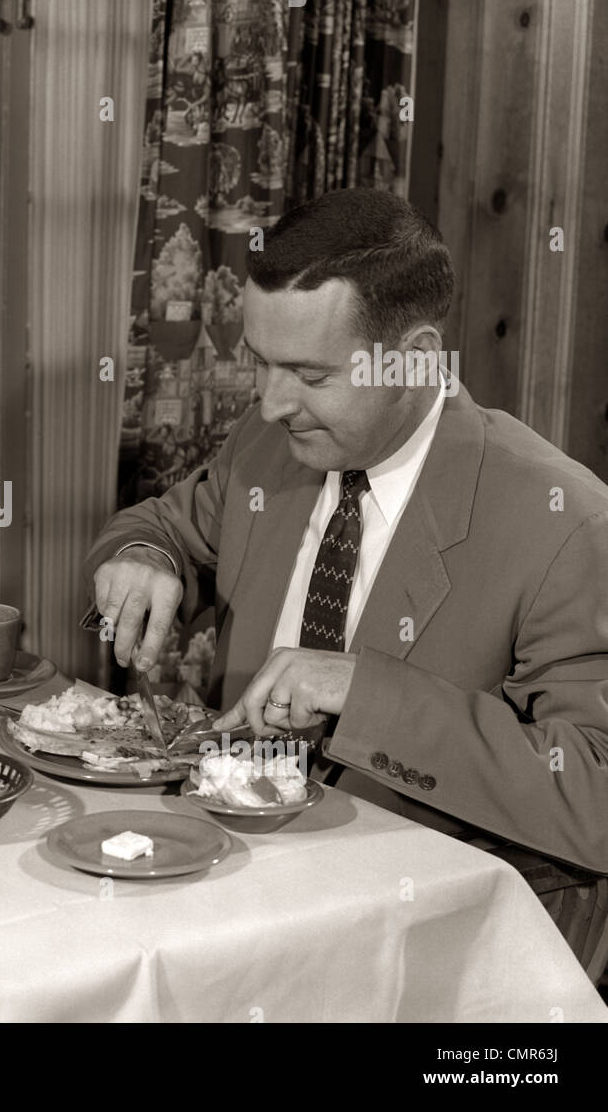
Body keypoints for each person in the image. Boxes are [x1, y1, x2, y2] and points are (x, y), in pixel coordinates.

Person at [86, 188, 608, 878]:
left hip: (419, 919)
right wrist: (145, 556)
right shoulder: (266, 449)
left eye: (309, 374)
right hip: (225, 869)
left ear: (414, 358)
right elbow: (162, 526)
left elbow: (595, 798)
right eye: (263, 363)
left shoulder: (564, 522)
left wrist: (366, 694)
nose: (271, 405)